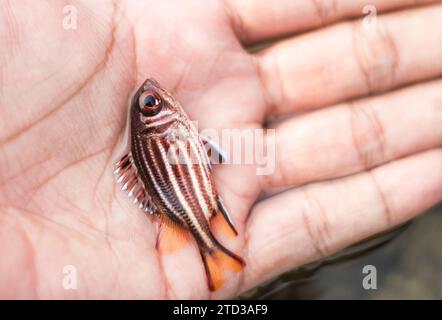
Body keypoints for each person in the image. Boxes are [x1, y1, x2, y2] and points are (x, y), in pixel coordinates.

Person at [0, 0, 441, 299]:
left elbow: (196, 157)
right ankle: (214, 251)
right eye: (151, 104)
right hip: (187, 205)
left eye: (150, 103)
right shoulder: (161, 138)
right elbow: (198, 156)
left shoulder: (160, 144)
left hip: (181, 206)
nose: (153, 95)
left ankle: (213, 249)